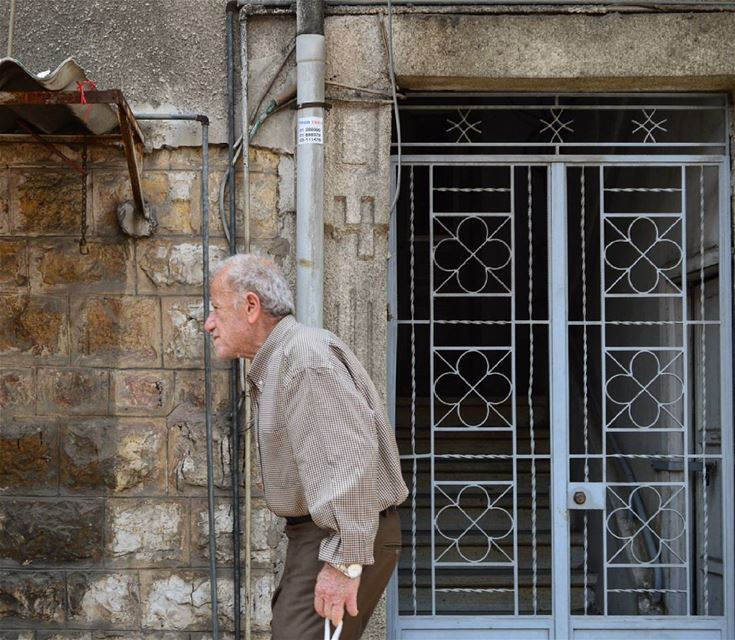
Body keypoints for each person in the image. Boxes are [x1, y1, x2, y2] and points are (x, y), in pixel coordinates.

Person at [204, 253, 408, 640]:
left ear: (251, 307)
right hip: (323, 535)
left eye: (215, 309)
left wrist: (344, 564)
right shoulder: (288, 358)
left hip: (337, 535)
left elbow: (345, 461)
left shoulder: (304, 360)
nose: (209, 323)